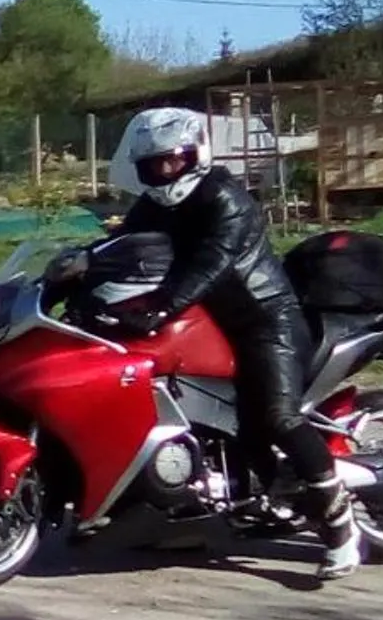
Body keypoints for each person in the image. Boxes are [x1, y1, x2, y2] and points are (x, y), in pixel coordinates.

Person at [108, 106, 362, 581]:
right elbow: (119, 246)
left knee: (276, 417)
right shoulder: (154, 205)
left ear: (194, 156)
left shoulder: (224, 199)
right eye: (153, 165)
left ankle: (340, 528)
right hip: (206, 319)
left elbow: (212, 262)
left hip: (264, 319)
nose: (164, 172)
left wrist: (163, 305)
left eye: (173, 161)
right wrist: (72, 270)